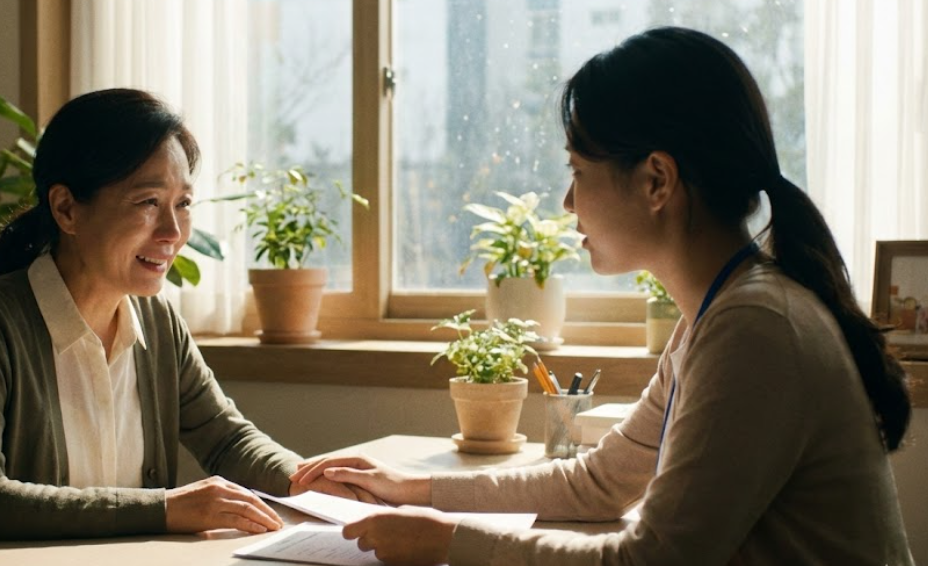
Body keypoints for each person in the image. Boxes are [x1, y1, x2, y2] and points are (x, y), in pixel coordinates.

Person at [292, 27, 914, 565]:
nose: (567, 203)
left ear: (656, 180)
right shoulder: (720, 313)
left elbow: (653, 560)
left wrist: (450, 542)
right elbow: (600, 482)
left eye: (578, 172)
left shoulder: (755, 326)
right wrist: (416, 490)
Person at [0, 88, 359, 560]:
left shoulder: (158, 323)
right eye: (147, 202)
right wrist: (165, 508)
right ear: (66, 209)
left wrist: (307, 479)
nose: (173, 233)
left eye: (182, 203)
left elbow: (225, 438)